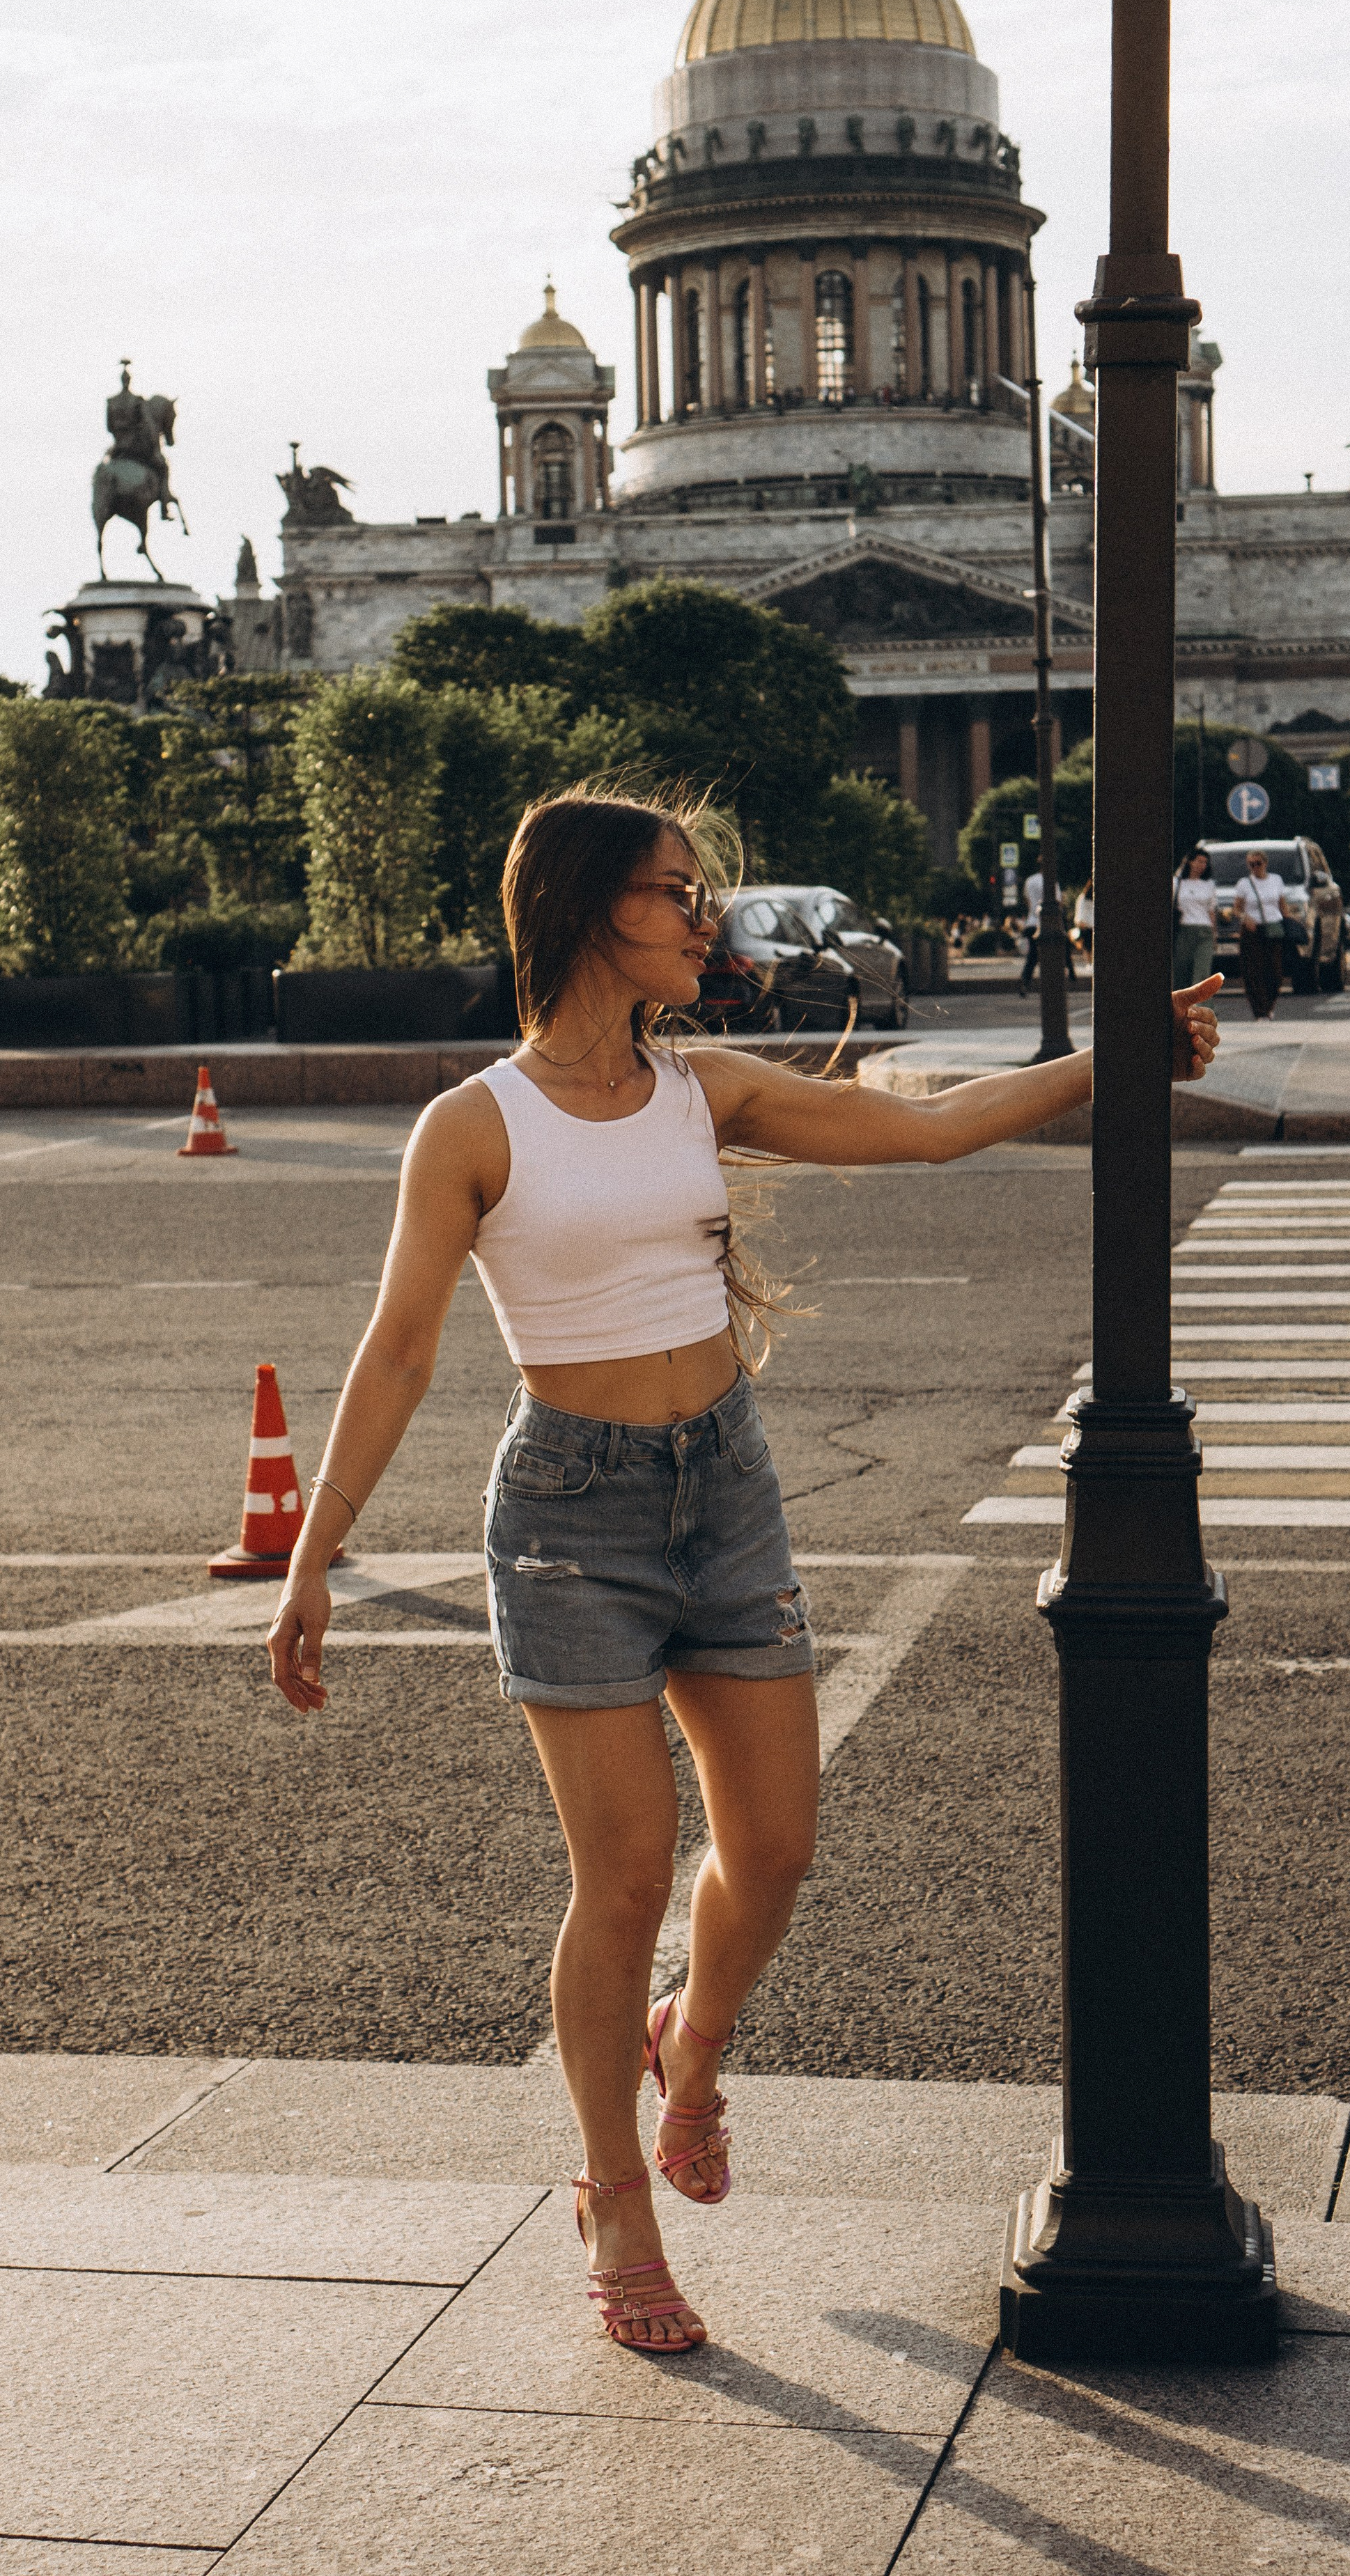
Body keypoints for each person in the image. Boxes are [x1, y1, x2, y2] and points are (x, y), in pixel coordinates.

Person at [265, 786, 1222, 2357]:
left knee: (773, 1847)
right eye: (672, 894)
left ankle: (687, 2049)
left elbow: (919, 1126)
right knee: (624, 1877)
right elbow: (402, 1347)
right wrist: (316, 1557)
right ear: (582, 911)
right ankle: (609, 2199)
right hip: (570, 1515)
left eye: (699, 894)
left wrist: (1110, 1063)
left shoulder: (699, 1089)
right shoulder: (474, 1126)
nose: (702, 921)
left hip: (725, 1484)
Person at [1234, 847, 1287, 1018]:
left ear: (1265, 863)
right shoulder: (1244, 884)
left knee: (1275, 972)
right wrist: (1245, 918)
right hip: (1253, 930)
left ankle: (1269, 1004)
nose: (1255, 867)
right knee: (1254, 971)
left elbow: (1282, 904)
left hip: (1273, 928)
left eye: (1258, 863)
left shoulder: (1276, 880)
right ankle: (1260, 1010)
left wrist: (1288, 922)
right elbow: (1237, 909)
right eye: (1251, 864)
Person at [1018, 869, 1076, 994]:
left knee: (1033, 955)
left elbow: (1027, 901)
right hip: (1048, 922)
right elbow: (1058, 902)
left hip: (1031, 922)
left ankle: (1025, 980)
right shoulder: (1051, 882)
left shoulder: (1029, 881)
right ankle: (1069, 975)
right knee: (1059, 949)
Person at [1172, 848, 1218, 990]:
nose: (1202, 865)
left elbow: (1211, 911)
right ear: (1190, 862)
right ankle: (1182, 1009)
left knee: (1202, 973)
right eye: (1199, 861)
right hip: (1183, 931)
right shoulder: (1177, 883)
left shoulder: (1209, 885)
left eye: (1205, 863)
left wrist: (1214, 934)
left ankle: (1201, 1008)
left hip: (1204, 931)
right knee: (1182, 973)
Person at [1073, 878, 1095, 962]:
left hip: (1086, 924)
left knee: (1087, 946)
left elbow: (1079, 911)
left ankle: (1089, 963)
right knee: (1089, 946)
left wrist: (1079, 922)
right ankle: (1090, 962)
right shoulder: (1085, 898)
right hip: (1088, 925)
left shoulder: (1083, 898)